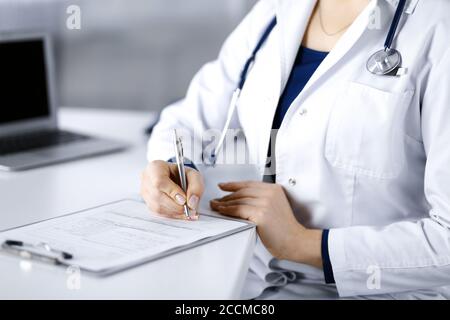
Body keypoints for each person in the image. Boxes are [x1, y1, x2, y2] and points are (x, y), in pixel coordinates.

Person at [141, 0, 450, 299]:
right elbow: (189, 118)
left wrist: (304, 244)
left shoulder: (437, 26)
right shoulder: (275, 10)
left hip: (377, 291)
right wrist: (169, 166)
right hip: (253, 271)